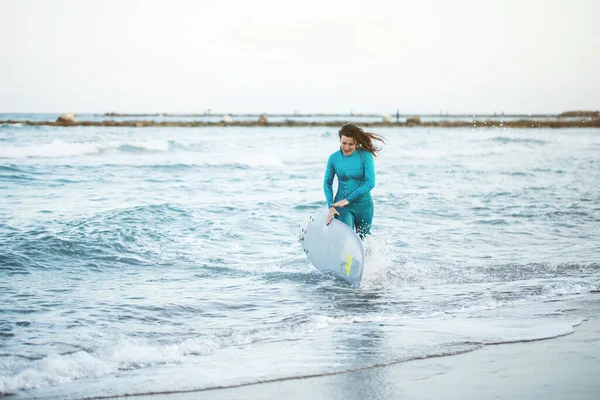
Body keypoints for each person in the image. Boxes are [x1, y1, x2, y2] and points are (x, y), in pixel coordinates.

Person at [323, 123, 385, 239]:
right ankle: (343, 258)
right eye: (344, 143)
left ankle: (369, 258)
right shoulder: (334, 158)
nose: (346, 147)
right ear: (340, 140)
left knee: (364, 238)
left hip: (364, 206)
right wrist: (330, 206)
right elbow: (327, 183)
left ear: (356, 142)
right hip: (342, 207)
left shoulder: (365, 155)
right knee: (346, 237)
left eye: (350, 144)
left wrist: (348, 199)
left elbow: (370, 182)